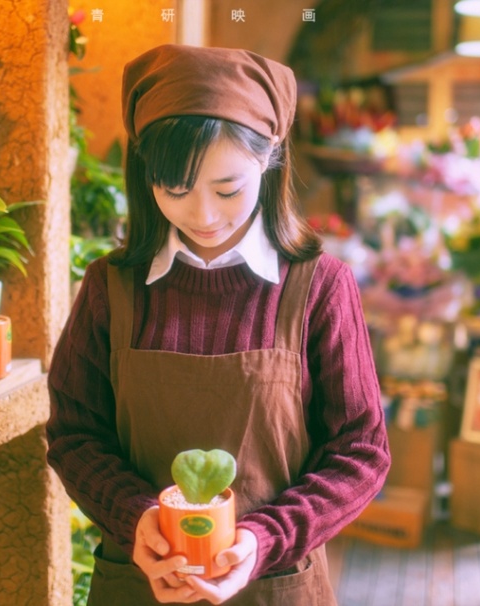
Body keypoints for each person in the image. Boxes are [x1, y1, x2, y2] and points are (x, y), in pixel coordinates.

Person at [47, 44, 390, 605]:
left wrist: (264, 538)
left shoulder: (319, 286)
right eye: (174, 190)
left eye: (226, 189)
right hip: (138, 584)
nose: (202, 215)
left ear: (269, 157)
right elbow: (74, 431)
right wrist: (138, 521)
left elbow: (362, 449)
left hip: (276, 584)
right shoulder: (112, 286)